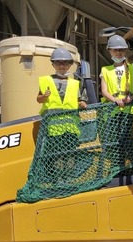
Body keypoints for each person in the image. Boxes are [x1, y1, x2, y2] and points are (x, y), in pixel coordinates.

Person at [36, 47, 88, 182]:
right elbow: (38, 99)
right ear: (52, 64)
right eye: (58, 63)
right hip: (53, 127)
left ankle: (69, 178)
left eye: (65, 63)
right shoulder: (46, 81)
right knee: (54, 154)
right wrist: (44, 96)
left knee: (70, 154)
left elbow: (77, 101)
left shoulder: (75, 83)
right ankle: (55, 179)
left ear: (70, 64)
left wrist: (81, 104)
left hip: (71, 127)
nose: (62, 66)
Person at [99, 34, 133, 176]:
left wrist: (131, 98)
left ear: (125, 51)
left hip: (128, 111)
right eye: (115, 50)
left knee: (128, 139)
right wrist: (115, 101)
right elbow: (104, 91)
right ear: (109, 51)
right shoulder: (105, 70)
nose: (118, 53)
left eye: (121, 50)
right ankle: (118, 168)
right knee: (114, 142)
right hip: (112, 112)